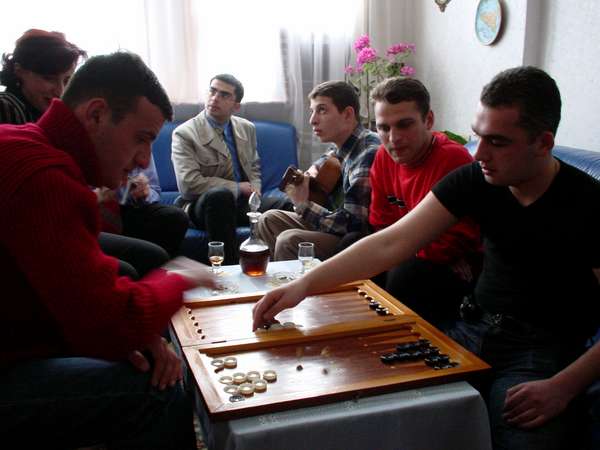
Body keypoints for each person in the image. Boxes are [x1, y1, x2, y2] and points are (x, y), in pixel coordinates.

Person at [252, 66, 600, 450]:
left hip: (541, 352)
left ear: (543, 142)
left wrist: (564, 386)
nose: (479, 153)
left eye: (498, 142)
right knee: (366, 401)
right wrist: (303, 286)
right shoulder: (478, 179)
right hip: (470, 327)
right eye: (477, 136)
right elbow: (390, 243)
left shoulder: (588, 204)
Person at [0, 51, 217, 449]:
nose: (143, 160)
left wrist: (126, 334)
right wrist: (180, 276)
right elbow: (111, 324)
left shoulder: (19, 142)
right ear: (96, 115)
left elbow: (71, 293)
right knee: (157, 394)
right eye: (142, 138)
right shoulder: (45, 179)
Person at [0, 29, 182, 279]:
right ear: (95, 114)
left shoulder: (43, 131)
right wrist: (184, 283)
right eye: (48, 78)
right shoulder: (20, 133)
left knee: (155, 252)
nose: (58, 90)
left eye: (66, 80)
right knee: (130, 271)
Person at [367, 77, 481, 328]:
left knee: (407, 274)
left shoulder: (452, 159)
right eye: (384, 128)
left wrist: (397, 249)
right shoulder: (383, 156)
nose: (393, 138)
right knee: (352, 244)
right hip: (412, 252)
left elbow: (452, 242)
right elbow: (380, 222)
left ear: (428, 120)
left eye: (404, 125)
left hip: (459, 267)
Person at [256, 80, 381, 261]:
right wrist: (311, 171)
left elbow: (353, 225)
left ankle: (294, 288)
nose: (312, 119)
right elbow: (327, 159)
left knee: (288, 240)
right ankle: (281, 279)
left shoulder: (367, 152)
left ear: (347, 114)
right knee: (268, 219)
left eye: (322, 110)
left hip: (359, 239)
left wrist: (303, 205)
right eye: (312, 111)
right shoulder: (343, 144)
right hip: (339, 226)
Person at [172, 74, 290, 264]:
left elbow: (254, 166)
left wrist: (255, 189)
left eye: (224, 95)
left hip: (241, 204)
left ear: (236, 106)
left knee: (285, 205)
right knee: (220, 196)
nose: (215, 98)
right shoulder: (185, 133)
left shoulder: (246, 128)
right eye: (212, 91)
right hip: (201, 205)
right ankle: (230, 271)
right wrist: (238, 187)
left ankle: (280, 268)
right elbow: (188, 184)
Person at [0, 29, 86, 123]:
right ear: (19, 71)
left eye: (67, 80)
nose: (60, 91)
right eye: (49, 78)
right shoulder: (5, 107)